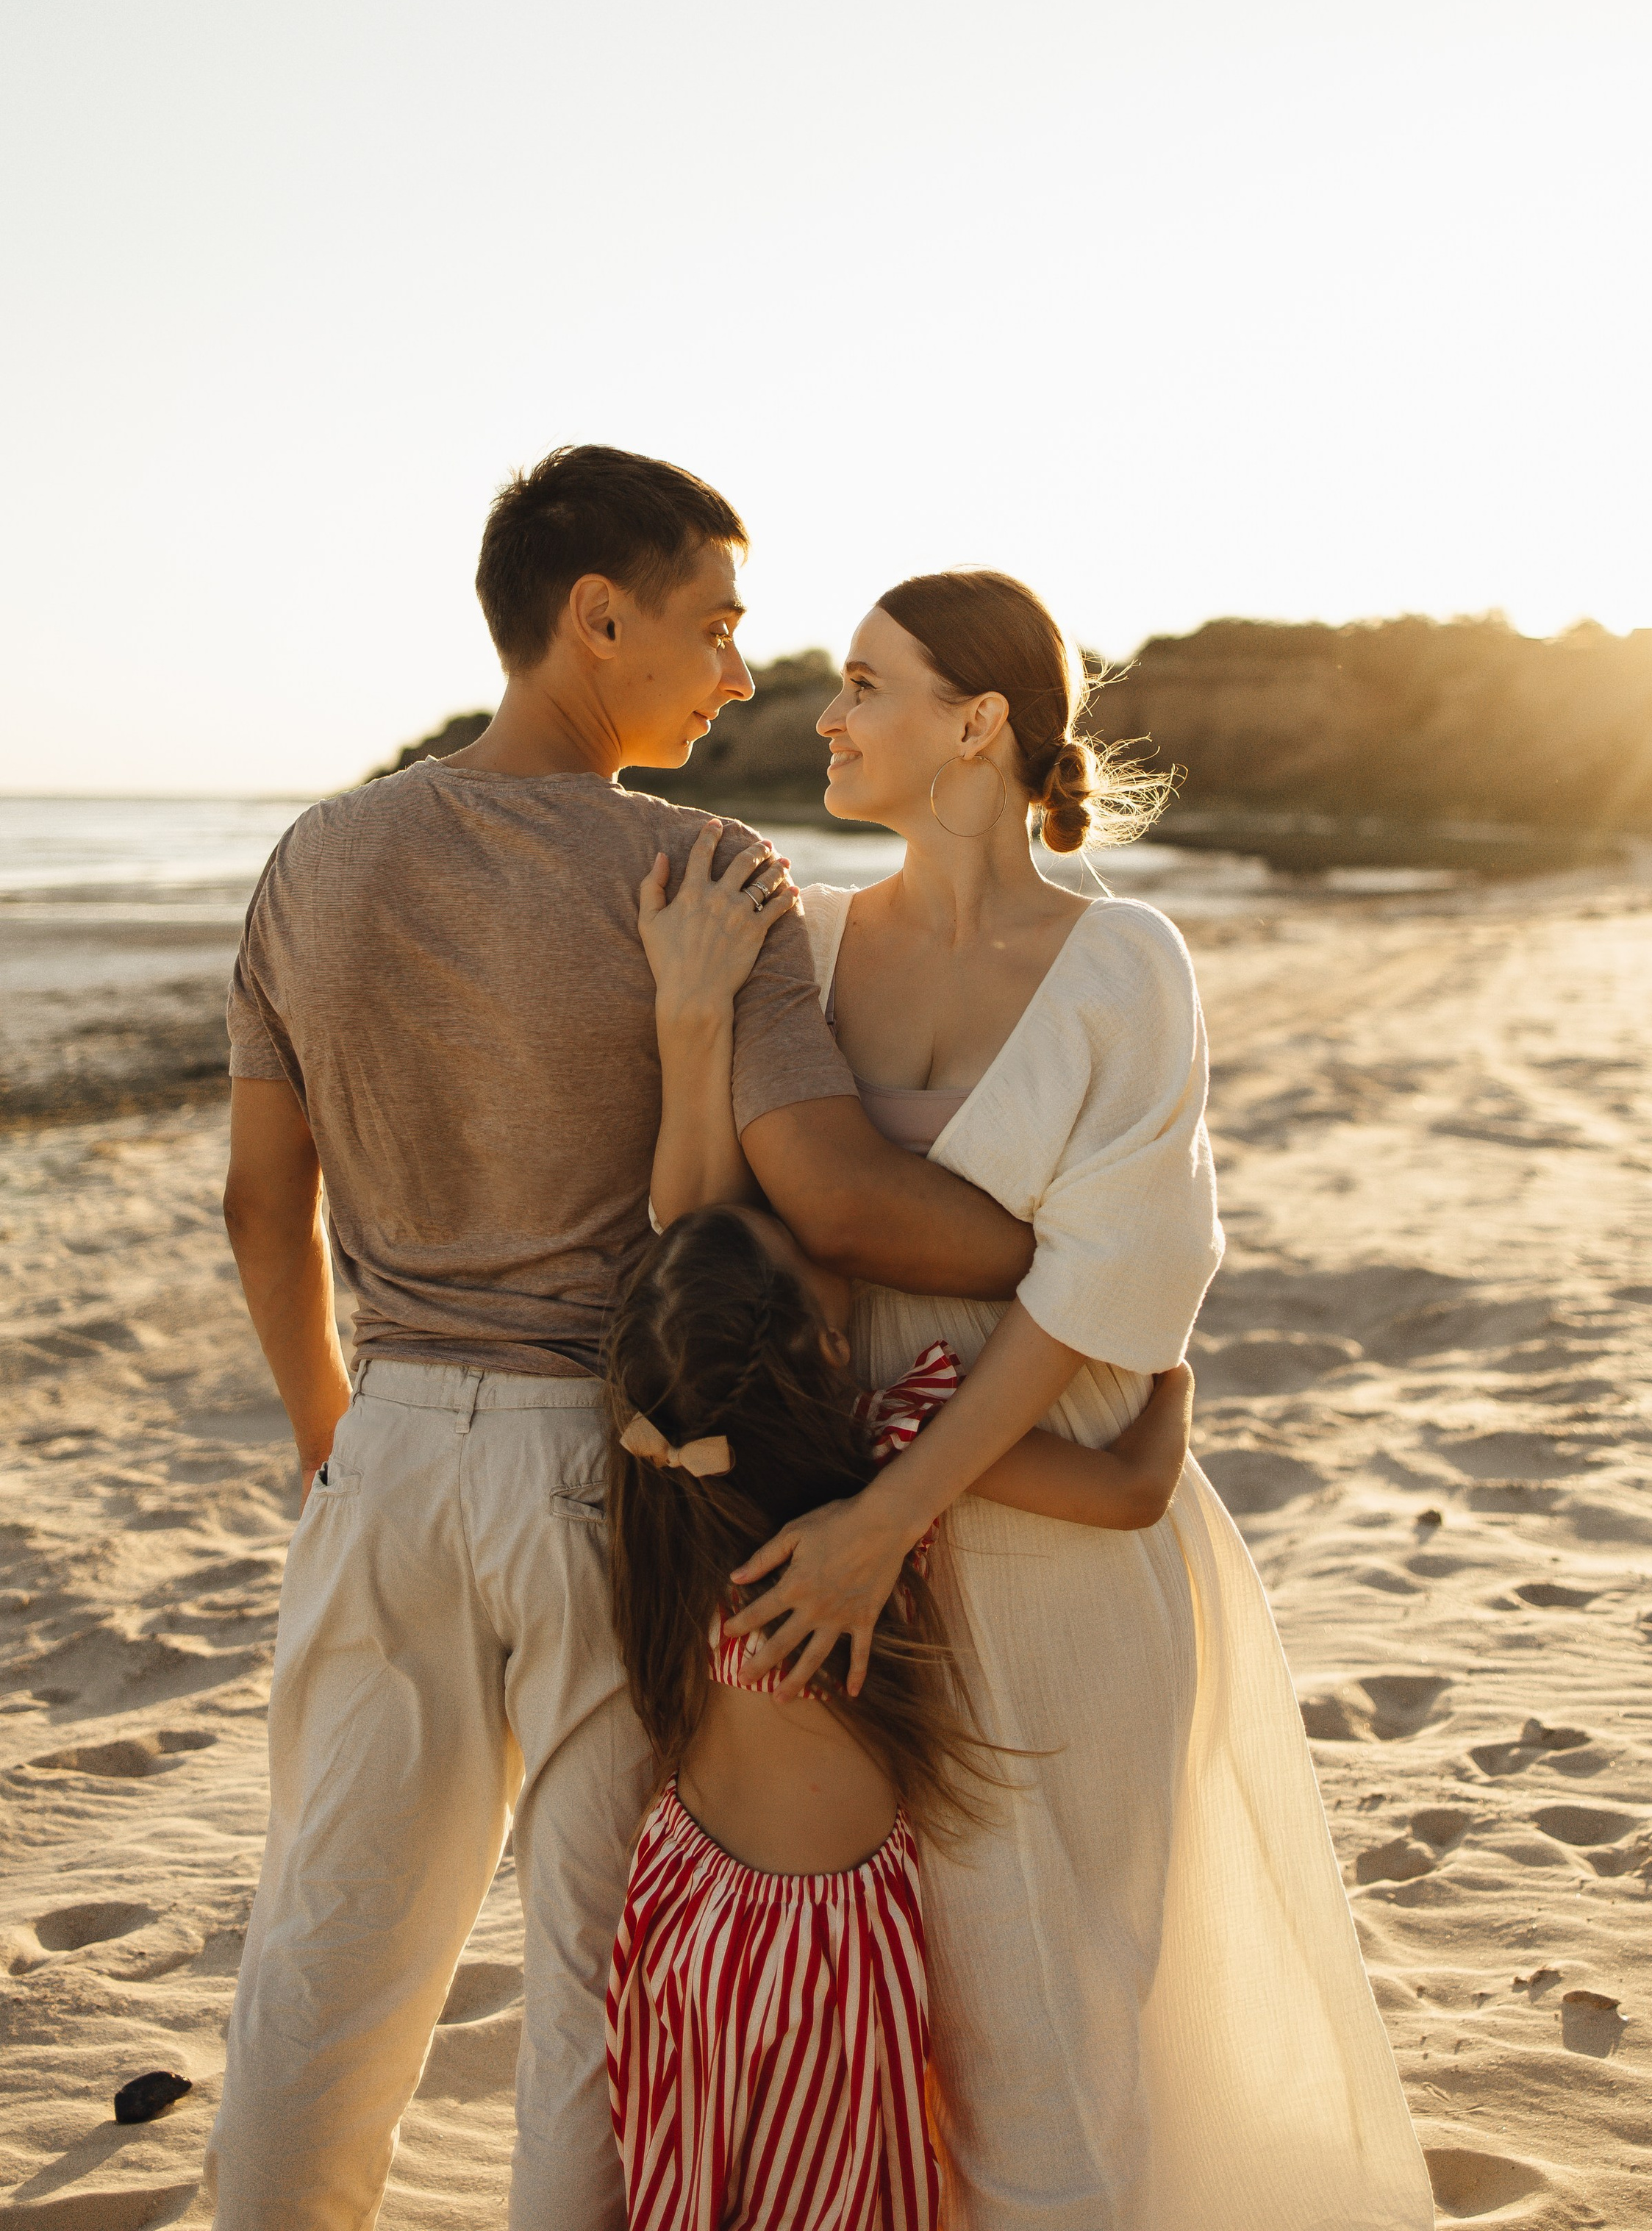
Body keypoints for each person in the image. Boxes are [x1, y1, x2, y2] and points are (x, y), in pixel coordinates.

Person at [206, 449, 1044, 2231]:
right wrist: (1086, 1257)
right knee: (591, 1974)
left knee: (329, 1945)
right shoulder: (704, 873)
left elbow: (260, 1208)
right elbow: (824, 1192)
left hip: (384, 1449)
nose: (739, 674)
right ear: (597, 618)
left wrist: (331, 1428)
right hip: (608, 1474)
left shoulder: (315, 859)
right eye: (715, 626)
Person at [646, 569, 1435, 2231]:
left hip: (1040, 1531)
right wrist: (692, 1018)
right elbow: (714, 1239)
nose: (825, 717)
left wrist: (891, 1512)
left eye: (866, 685)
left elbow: (1111, 1289)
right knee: (902, 2031)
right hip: (839, 1532)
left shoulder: (1126, 960)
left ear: (978, 723)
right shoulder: (804, 941)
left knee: (1064, 2029)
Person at [596, 1198, 1193, 2231]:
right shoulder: (886, 1464)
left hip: (682, 1900)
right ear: (830, 1345)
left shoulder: (662, 1489)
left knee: (699, 2188)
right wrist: (1172, 1379)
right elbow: (1135, 1488)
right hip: (817, 1945)